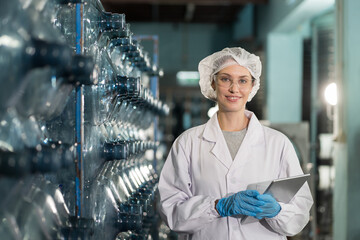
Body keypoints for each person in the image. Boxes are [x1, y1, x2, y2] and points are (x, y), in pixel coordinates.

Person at [158, 47, 313, 239]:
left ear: (252, 86)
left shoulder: (278, 143)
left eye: (243, 80)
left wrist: (277, 211)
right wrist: (217, 206)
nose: (234, 89)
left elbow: (300, 212)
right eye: (225, 79)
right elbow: (170, 210)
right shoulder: (188, 143)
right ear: (213, 83)